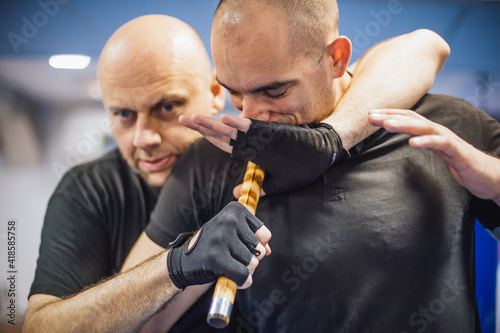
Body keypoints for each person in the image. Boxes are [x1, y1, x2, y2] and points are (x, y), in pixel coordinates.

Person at [24, 11, 451, 333]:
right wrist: (179, 263)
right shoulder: (90, 190)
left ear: (215, 96)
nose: (144, 138)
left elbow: (424, 45)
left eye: (167, 108)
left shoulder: (260, 152)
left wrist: (329, 138)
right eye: (122, 114)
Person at [125, 1, 500, 332]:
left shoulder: (445, 125)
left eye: (274, 91)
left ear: (336, 58)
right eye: (234, 92)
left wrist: (494, 181)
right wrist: (189, 259)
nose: (252, 117)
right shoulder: (212, 157)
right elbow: (136, 323)